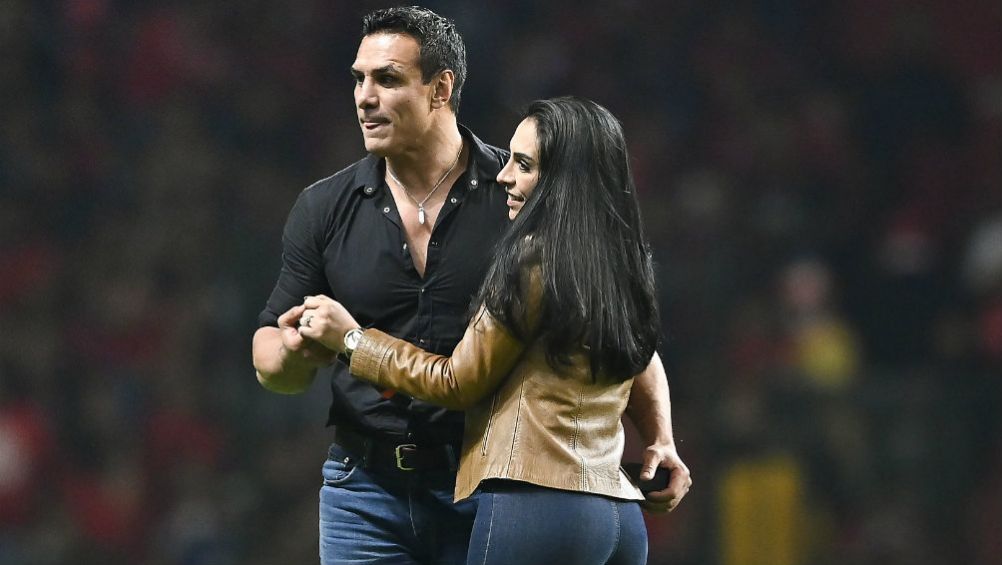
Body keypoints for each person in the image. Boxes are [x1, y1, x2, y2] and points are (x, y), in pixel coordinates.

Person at [252, 7, 689, 565]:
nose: (364, 97)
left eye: (387, 79)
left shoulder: (521, 192)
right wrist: (290, 354)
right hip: (364, 489)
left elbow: (615, 324)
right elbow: (271, 350)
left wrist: (659, 436)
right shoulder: (323, 207)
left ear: (441, 88)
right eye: (358, 79)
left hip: (489, 484)